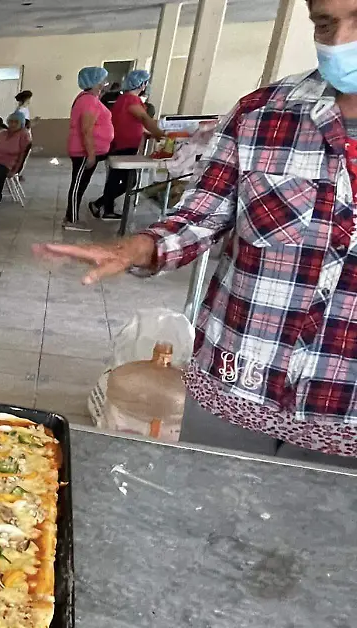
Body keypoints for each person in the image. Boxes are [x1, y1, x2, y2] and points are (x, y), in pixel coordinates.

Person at [35, 0, 357, 466]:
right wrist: (138, 247)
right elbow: (201, 216)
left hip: (345, 414)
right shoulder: (264, 115)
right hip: (238, 384)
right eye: (325, 24)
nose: (340, 41)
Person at [89, 69, 166, 220]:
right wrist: (160, 135)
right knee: (126, 181)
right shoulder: (130, 100)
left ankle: (103, 206)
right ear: (142, 84)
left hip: (123, 144)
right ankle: (102, 206)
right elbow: (144, 118)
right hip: (123, 145)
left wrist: (148, 133)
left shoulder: (125, 99)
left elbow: (132, 123)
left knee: (117, 179)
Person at [64, 66, 113, 229]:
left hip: (87, 150)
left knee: (81, 184)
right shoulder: (88, 100)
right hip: (83, 151)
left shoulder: (90, 98)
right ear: (95, 82)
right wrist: (91, 153)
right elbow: (86, 129)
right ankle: (71, 220)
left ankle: (71, 217)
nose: (105, 84)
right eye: (102, 81)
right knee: (78, 185)